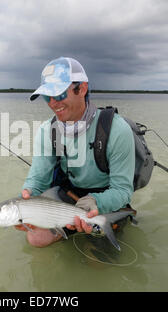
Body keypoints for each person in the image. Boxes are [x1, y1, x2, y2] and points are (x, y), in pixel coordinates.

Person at [15, 57, 135, 247]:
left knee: (97, 264)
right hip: (69, 193)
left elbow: (123, 189)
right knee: (36, 238)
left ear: (82, 89)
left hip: (105, 196)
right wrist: (27, 197)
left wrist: (97, 202)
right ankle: (66, 229)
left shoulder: (117, 130)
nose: (53, 103)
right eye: (47, 96)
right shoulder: (48, 130)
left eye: (60, 94)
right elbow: (38, 179)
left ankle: (105, 227)